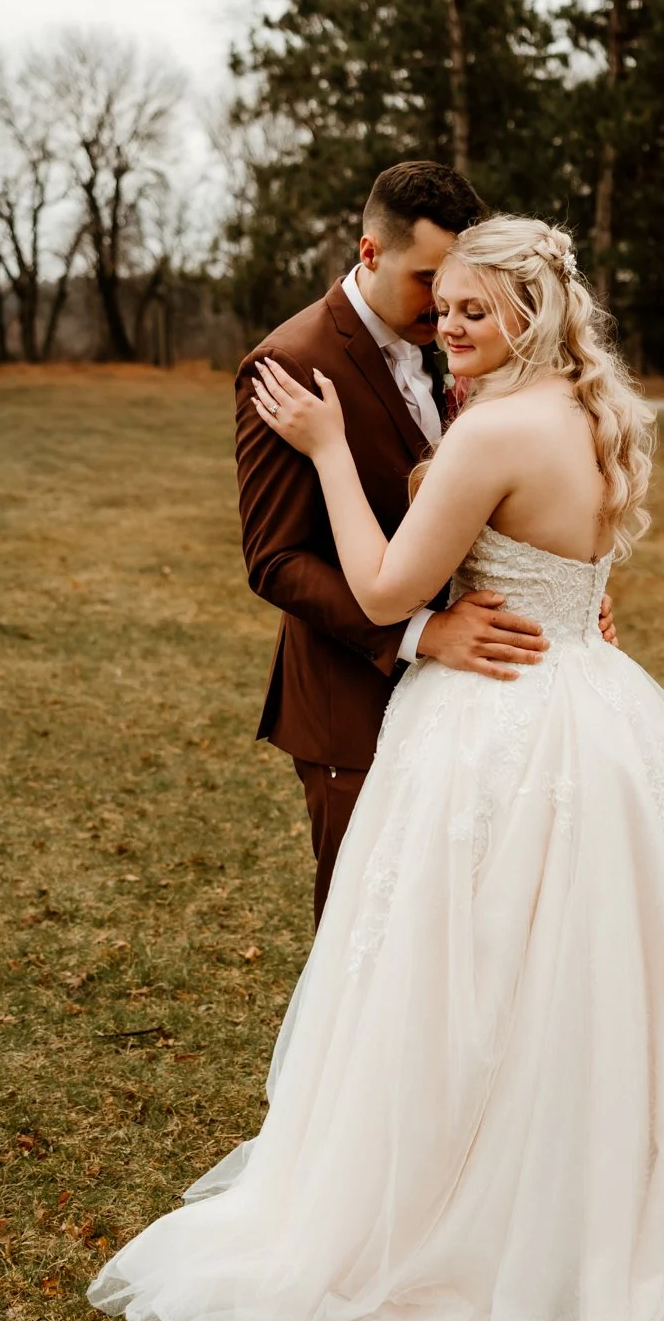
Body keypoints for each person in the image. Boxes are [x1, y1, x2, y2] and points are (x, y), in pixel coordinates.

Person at [91, 216, 664, 1321]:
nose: (448, 328)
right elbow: (576, 577)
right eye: (439, 305)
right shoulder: (597, 410)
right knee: (596, 980)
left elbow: (389, 587)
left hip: (497, 725)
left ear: (532, 313)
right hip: (597, 711)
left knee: (474, 974)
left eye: (474, 312)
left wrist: (335, 451)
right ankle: (617, 1216)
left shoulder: (496, 427)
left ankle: (470, 1227)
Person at [234, 160, 614, 923]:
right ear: (370, 253)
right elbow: (275, 559)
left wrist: (575, 599)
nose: (442, 318)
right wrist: (422, 633)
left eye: (463, 297)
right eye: (428, 285)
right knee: (372, 936)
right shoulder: (293, 364)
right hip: (355, 699)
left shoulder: (481, 351)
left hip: (493, 703)